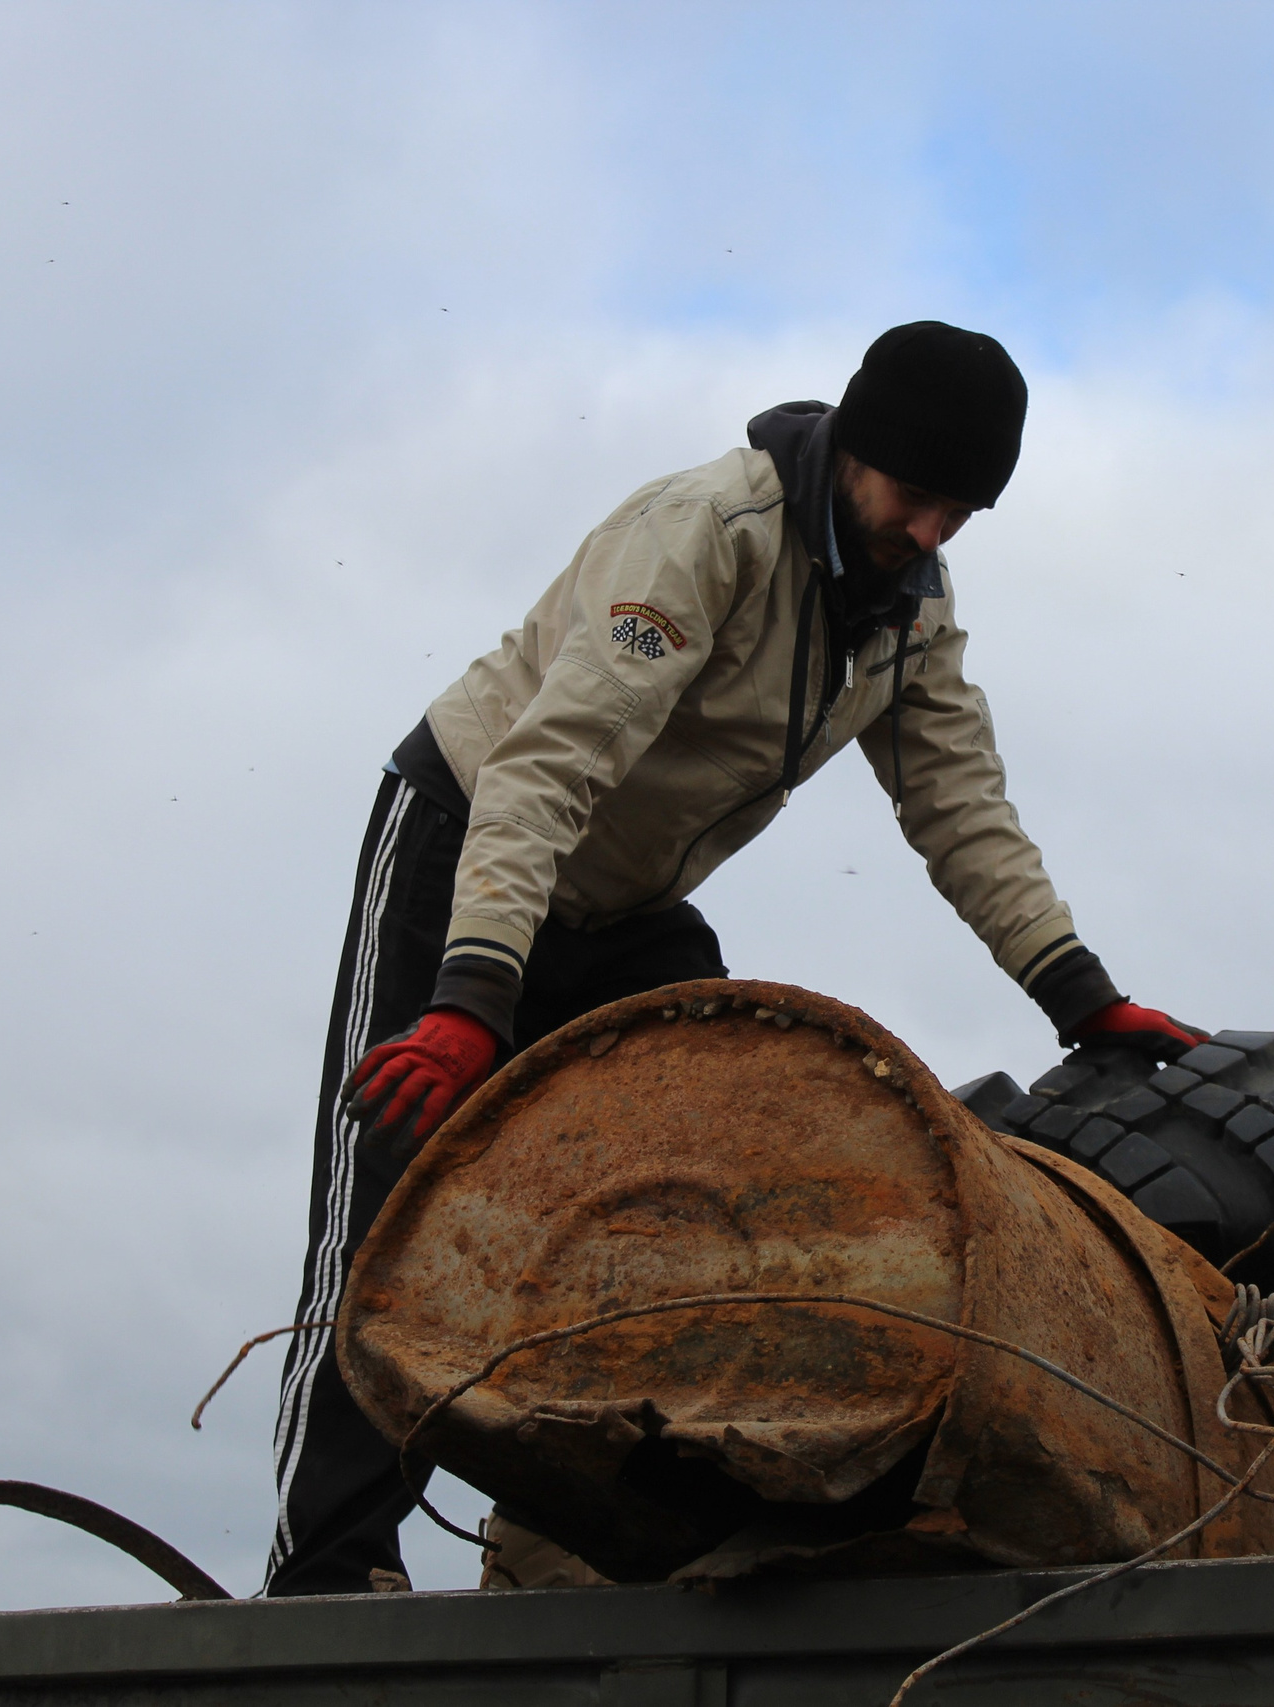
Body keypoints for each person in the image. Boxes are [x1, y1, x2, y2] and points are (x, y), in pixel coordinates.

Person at [264, 320, 1208, 1596]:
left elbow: (958, 803)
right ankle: (324, 1573)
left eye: (962, 512)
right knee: (391, 1205)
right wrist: (475, 994)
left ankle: (570, 1554)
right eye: (915, 494)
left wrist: (1082, 995)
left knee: (690, 1183)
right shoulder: (706, 535)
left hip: (631, 907)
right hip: (469, 846)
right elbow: (547, 770)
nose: (931, 530)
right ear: (856, 449)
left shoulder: (910, 610)